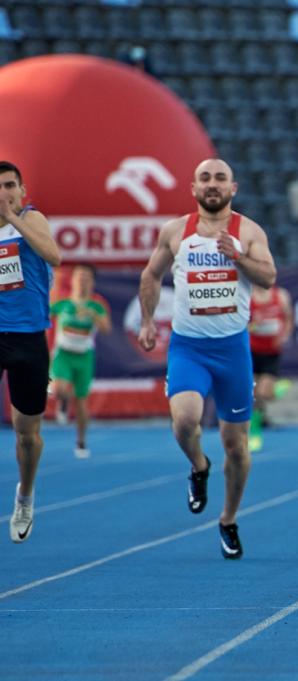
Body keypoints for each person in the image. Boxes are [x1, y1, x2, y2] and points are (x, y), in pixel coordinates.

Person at [137, 158, 276, 560]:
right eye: (204, 179)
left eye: (219, 178)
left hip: (232, 350)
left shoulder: (248, 231)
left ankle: (228, 520)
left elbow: (268, 277)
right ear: (193, 188)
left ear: (234, 188)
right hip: (189, 347)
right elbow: (150, 275)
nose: (212, 185)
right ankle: (199, 466)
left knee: (237, 445)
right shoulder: (175, 231)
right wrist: (147, 321)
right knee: (184, 420)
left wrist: (239, 257)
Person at [0, 160, 62, 543]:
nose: (3, 192)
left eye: (9, 185)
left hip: (27, 339)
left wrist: (13, 219)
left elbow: (52, 255)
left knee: (27, 433)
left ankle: (24, 494)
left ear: (22, 190)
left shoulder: (31, 219)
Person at [50, 264, 112, 459]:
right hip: (63, 355)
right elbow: (44, 316)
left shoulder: (97, 305)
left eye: (86, 276)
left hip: (84, 356)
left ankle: (81, 441)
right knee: (58, 389)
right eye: (78, 276)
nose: (82, 280)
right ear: (73, 280)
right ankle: (62, 400)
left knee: (82, 401)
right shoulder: (63, 303)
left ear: (92, 281)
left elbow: (106, 329)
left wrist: (93, 316)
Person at [247, 283, 293, 452]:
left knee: (264, 393)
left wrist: (284, 335)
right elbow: (242, 323)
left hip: (272, 352)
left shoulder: (280, 295)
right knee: (254, 396)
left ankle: (280, 387)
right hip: (252, 350)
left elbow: (288, 318)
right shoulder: (248, 295)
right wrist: (253, 326)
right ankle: (255, 432)